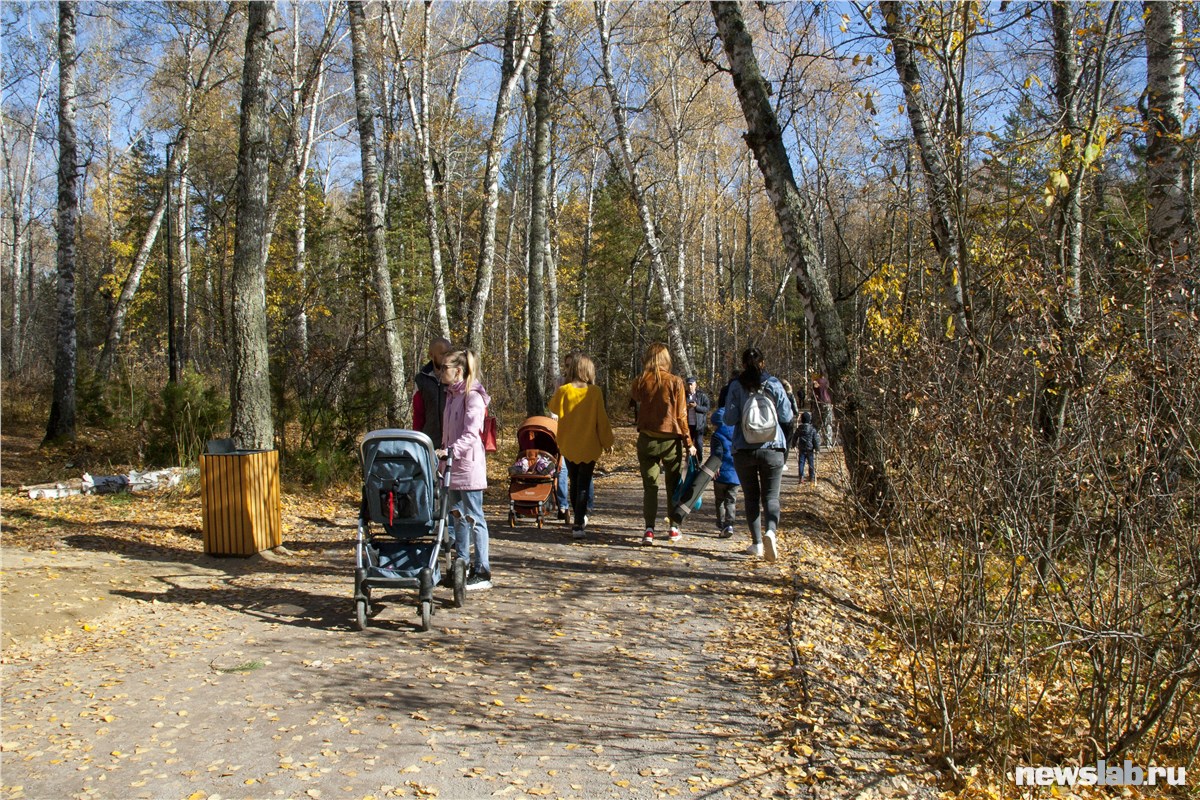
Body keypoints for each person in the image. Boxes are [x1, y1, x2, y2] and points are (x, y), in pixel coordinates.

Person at [723, 347, 795, 561]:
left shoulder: (736, 386)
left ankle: (756, 544)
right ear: (762, 363)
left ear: (743, 364)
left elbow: (728, 418)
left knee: (751, 498)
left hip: (743, 449)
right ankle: (770, 532)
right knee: (771, 497)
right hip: (772, 448)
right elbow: (787, 415)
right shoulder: (774, 384)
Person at [435, 349, 493, 590]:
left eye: (444, 368)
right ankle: (462, 565)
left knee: (474, 518)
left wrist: (451, 451)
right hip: (451, 468)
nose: (439, 372)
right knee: (457, 518)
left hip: (468, 466)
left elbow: (471, 434)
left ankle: (482, 570)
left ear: (458, 371)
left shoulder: (473, 397)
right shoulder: (451, 396)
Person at [630, 342, 695, 545]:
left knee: (650, 487)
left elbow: (633, 401)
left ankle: (649, 530)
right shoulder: (676, 382)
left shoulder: (640, 381)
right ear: (667, 359)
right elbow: (681, 416)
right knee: (673, 486)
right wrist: (689, 443)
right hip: (670, 442)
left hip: (647, 440)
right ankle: (673, 528)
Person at [549, 352, 614, 540]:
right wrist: (607, 442)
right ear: (587, 370)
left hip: (569, 444)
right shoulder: (594, 392)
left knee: (575, 481)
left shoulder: (564, 390)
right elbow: (601, 420)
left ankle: (577, 521)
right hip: (589, 445)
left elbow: (553, 409)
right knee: (583, 483)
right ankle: (579, 522)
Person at [413, 337, 452, 444]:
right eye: (443, 354)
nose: (447, 357)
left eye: (449, 353)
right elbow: (418, 414)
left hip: (454, 443)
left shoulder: (457, 378)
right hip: (429, 441)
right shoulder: (421, 380)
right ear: (431, 355)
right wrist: (417, 440)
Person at [709, 407, 740, 539]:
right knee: (731, 501)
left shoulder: (717, 436)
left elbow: (716, 454)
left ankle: (722, 524)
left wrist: (714, 468)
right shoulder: (738, 433)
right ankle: (730, 524)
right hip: (735, 474)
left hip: (720, 474)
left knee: (720, 500)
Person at [685, 377, 711, 462]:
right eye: (688, 384)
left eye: (691, 384)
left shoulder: (701, 395)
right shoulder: (683, 395)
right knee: (688, 445)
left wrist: (696, 407)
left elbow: (707, 409)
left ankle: (699, 462)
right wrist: (686, 407)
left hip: (699, 425)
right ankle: (689, 463)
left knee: (699, 444)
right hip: (687, 425)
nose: (690, 386)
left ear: (695, 385)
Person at [794, 410, 820, 483]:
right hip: (810, 448)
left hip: (802, 448)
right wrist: (817, 448)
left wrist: (793, 444)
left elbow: (795, 436)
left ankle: (801, 477)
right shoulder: (812, 429)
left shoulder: (799, 428)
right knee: (811, 462)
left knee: (801, 463)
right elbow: (815, 439)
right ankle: (811, 477)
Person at [811, 373, 834, 450]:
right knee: (828, 423)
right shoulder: (828, 382)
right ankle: (828, 443)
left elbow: (814, 393)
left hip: (818, 403)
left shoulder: (816, 382)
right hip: (827, 403)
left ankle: (817, 442)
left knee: (817, 424)